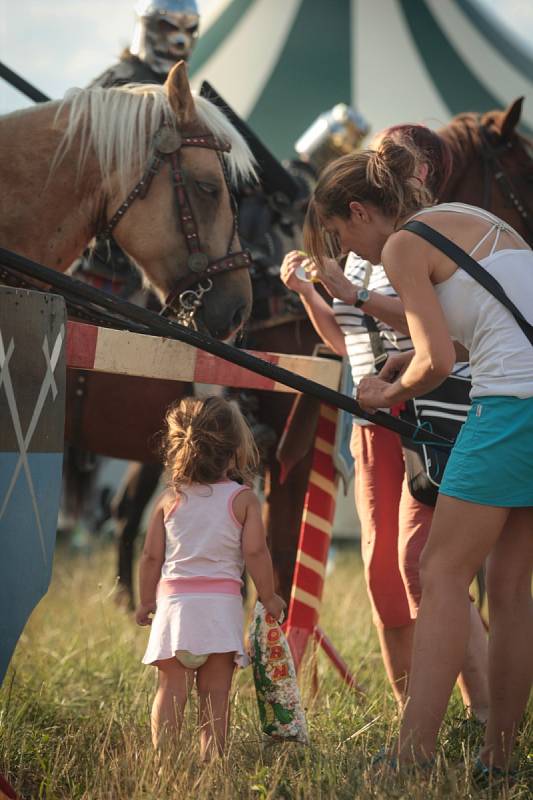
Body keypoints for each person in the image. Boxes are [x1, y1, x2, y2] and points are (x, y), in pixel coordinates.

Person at [301, 134, 533, 775]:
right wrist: (412, 358)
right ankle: (502, 757)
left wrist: (387, 390)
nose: (348, 253)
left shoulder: (403, 245)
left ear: (360, 213)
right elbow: (485, 319)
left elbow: (441, 362)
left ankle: (411, 755)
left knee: (439, 572)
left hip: (511, 405)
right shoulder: (475, 221)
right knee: (513, 589)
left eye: (340, 236)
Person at [280, 124, 489, 718]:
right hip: (372, 417)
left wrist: (351, 293)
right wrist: (312, 295)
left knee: (423, 559)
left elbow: (438, 326)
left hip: (427, 409)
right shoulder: (362, 252)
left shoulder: (412, 241)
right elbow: (350, 343)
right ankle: (413, 711)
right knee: (384, 575)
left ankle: (476, 713)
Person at [136, 396, 285, 758]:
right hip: (220, 612)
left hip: (174, 612)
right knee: (215, 696)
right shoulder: (243, 500)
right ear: (234, 451)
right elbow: (255, 553)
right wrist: (269, 596)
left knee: (170, 691)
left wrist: (145, 602)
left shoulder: (169, 500)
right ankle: (211, 763)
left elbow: (151, 555)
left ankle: (163, 764)